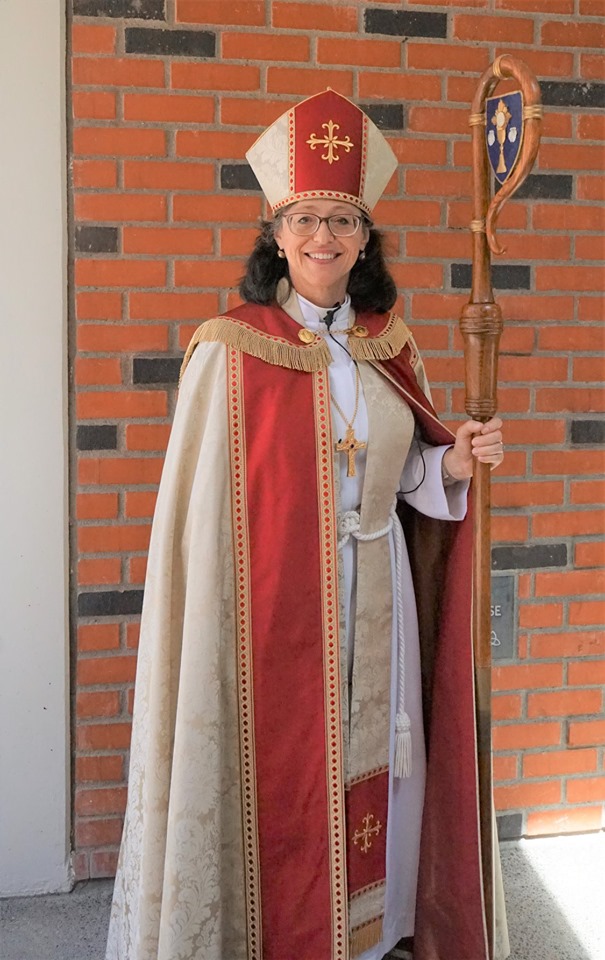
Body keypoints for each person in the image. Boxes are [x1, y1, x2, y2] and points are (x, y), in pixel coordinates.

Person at [106, 90, 509, 960]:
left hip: (380, 596)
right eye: (303, 218)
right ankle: (280, 931)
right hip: (272, 612)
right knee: (286, 772)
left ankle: (371, 931)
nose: (321, 236)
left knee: (382, 766)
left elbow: (406, 473)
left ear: (365, 239)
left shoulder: (388, 345)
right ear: (275, 232)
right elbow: (201, 522)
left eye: (340, 219)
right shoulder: (230, 347)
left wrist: (454, 461)